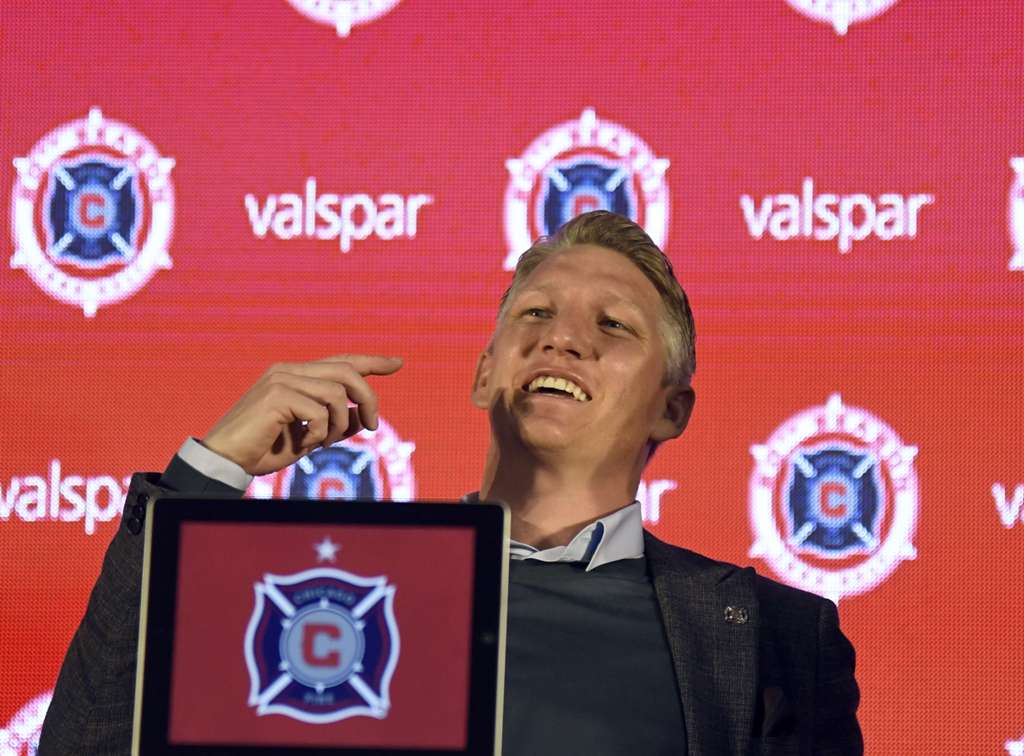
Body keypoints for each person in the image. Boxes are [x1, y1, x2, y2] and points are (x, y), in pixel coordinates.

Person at [39, 210, 862, 755]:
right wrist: (206, 479)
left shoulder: (776, 640)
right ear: (483, 374)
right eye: (534, 315)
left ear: (672, 411)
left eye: (611, 326)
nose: (563, 340)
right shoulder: (318, 589)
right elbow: (91, 742)